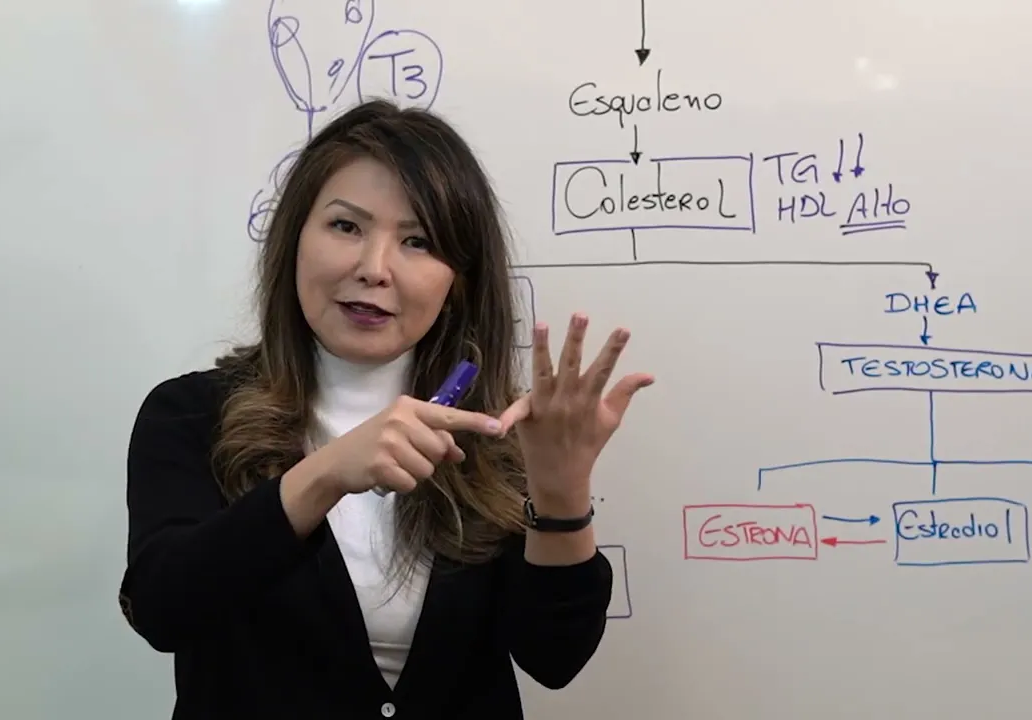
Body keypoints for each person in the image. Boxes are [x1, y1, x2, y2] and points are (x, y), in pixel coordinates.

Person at [118, 98, 654, 719]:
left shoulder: (494, 429)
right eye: (346, 227)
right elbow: (162, 608)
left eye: (417, 241)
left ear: (458, 280)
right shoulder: (190, 413)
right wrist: (325, 474)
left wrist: (560, 494)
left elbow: (554, 656)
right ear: (294, 241)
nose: (374, 269)